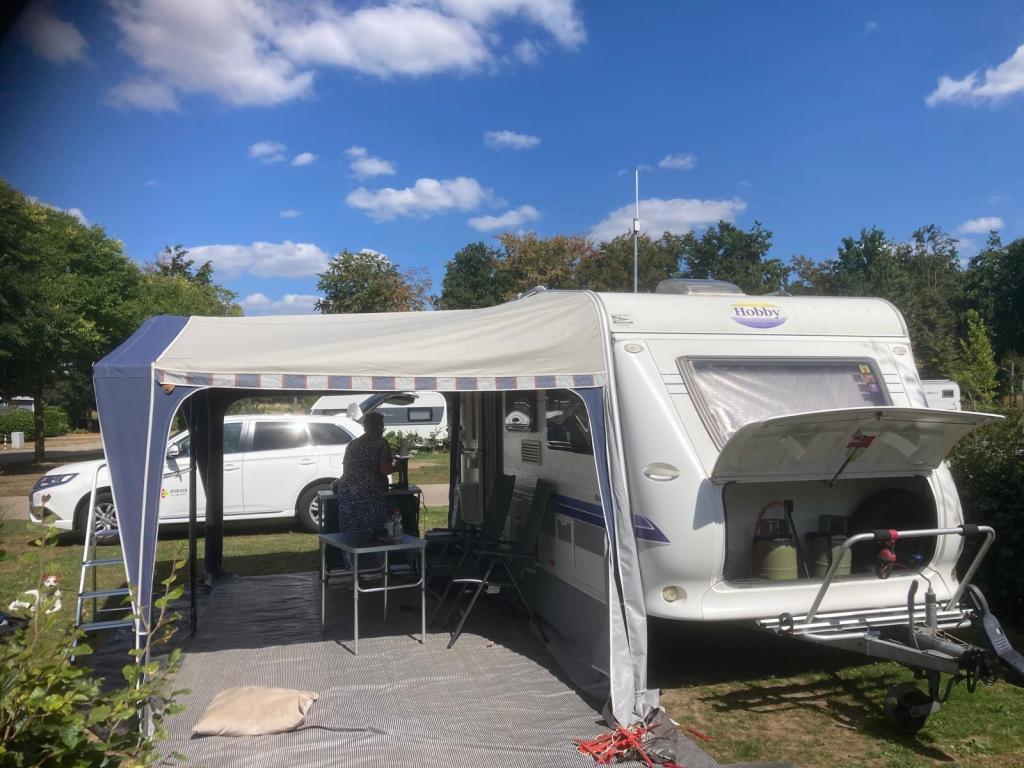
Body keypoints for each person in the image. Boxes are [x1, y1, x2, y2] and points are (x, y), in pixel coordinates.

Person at [336, 412, 396, 565]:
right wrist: (397, 467)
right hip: (369, 493)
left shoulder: (353, 444)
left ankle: (354, 571)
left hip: (347, 493)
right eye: (382, 426)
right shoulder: (381, 443)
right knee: (376, 533)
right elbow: (385, 469)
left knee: (352, 536)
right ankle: (379, 569)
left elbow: (347, 468)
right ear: (379, 426)